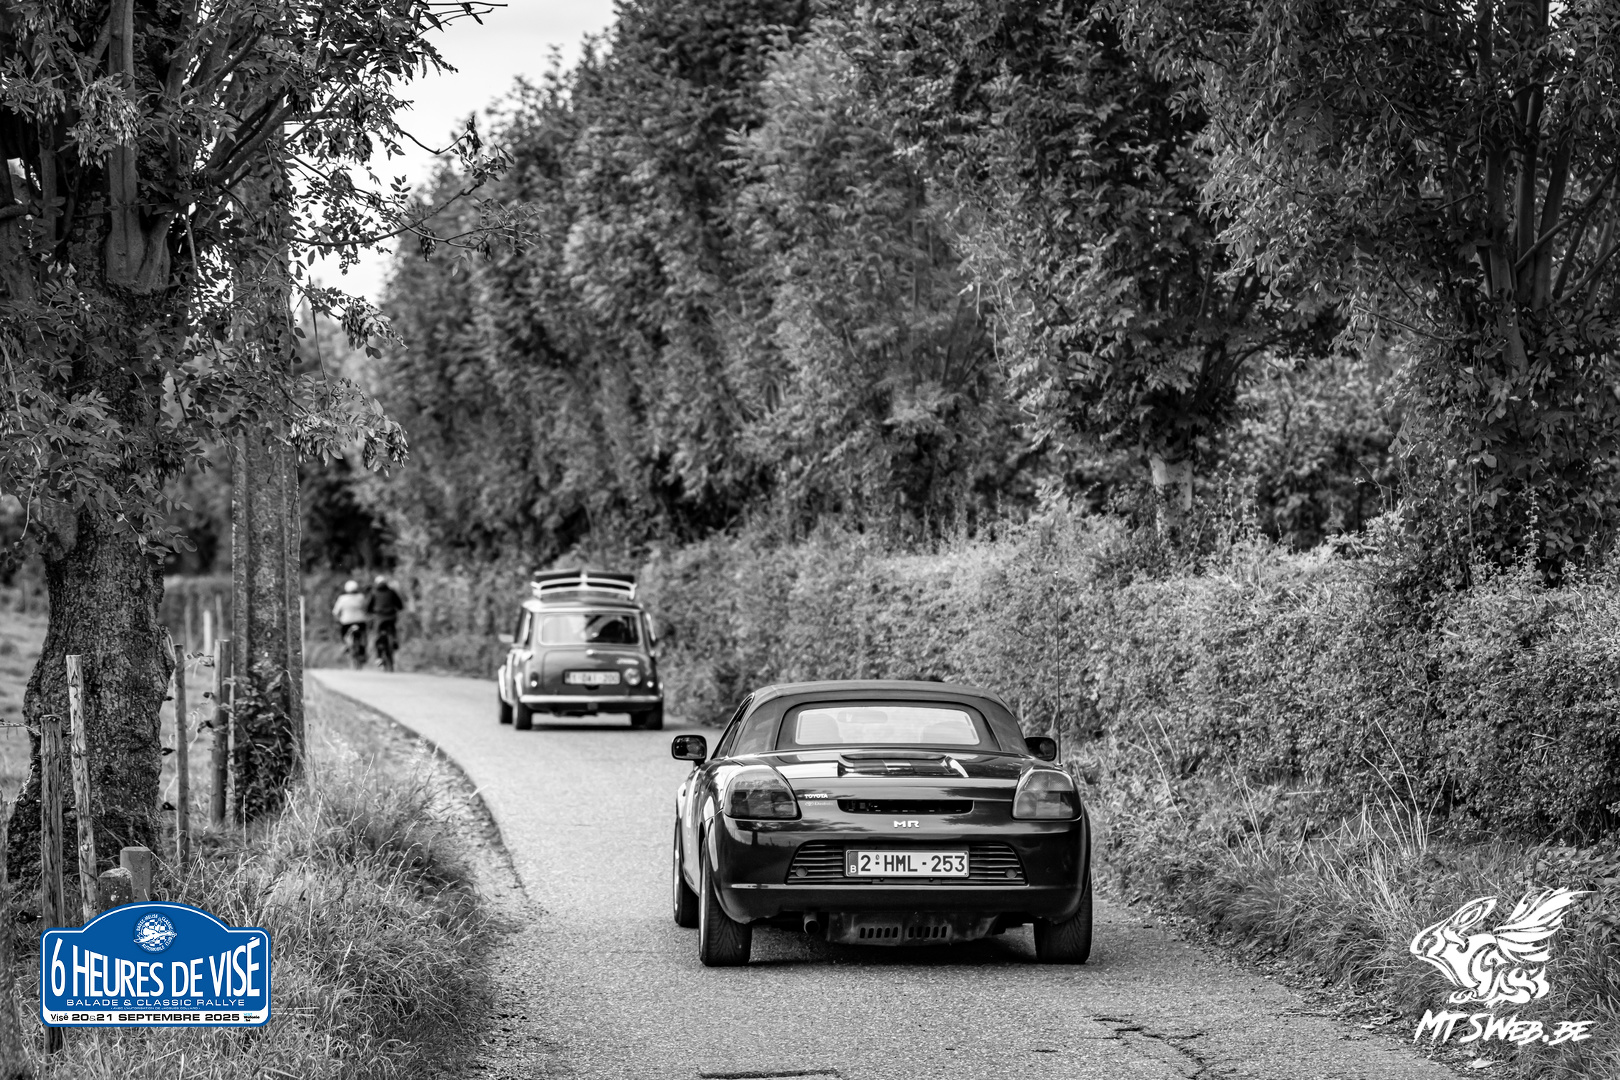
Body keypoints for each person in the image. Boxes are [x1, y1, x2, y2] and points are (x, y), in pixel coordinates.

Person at [366, 574, 405, 670]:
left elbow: (368, 607)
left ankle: (379, 657)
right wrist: (398, 608)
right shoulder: (391, 592)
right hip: (391, 617)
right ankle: (394, 640)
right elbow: (400, 605)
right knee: (393, 630)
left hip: (379, 618)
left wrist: (370, 611)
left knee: (377, 636)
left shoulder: (374, 592)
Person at [332, 580, 369, 667]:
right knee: (363, 635)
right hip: (360, 621)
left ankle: (345, 645)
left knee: (343, 634)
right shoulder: (361, 597)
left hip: (346, 622)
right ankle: (363, 649)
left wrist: (338, 620)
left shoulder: (342, 598)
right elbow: (366, 608)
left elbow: (335, 612)